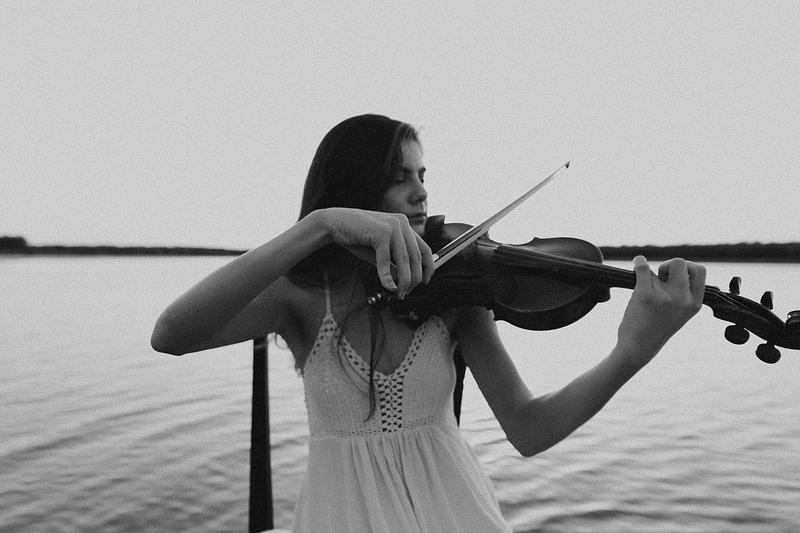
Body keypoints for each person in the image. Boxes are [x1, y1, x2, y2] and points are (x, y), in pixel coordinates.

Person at [151, 114, 706, 532]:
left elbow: (530, 429)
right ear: (353, 191)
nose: (422, 192)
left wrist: (631, 353)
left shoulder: (454, 290)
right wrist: (319, 226)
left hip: (453, 513)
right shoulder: (300, 296)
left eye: (422, 174)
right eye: (401, 178)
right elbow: (171, 335)